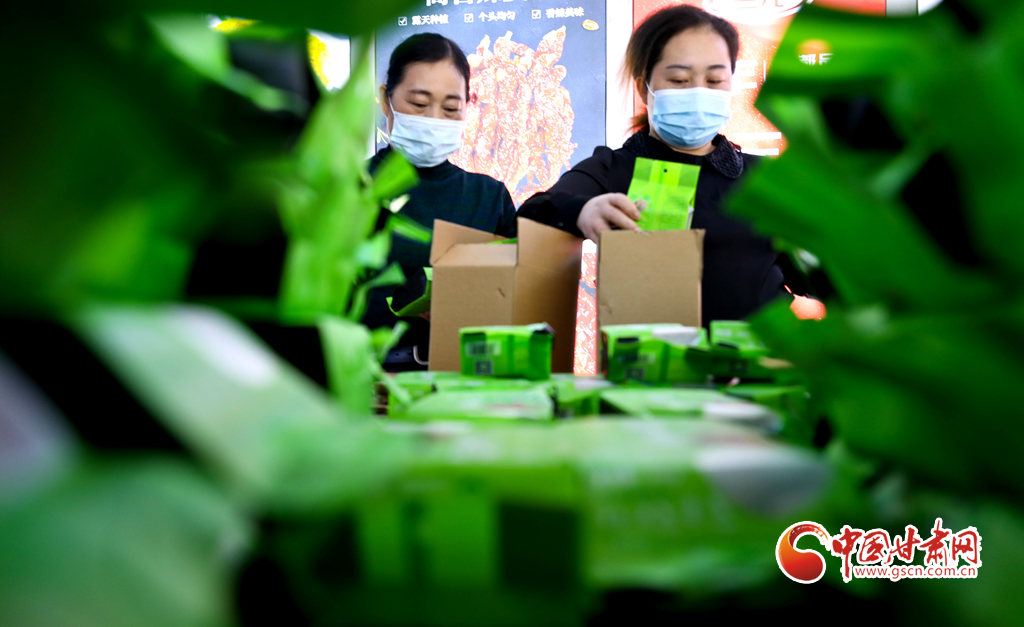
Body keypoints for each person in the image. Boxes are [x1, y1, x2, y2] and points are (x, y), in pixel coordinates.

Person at [518, 5, 801, 324]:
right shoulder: (612, 168)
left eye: (714, 79)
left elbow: (815, 272)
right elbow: (530, 215)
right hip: (647, 354)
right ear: (644, 87)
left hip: (764, 353)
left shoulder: (765, 176)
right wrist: (582, 211)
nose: (698, 92)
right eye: (679, 79)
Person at [365, 33, 518, 371]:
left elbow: (520, 297)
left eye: (450, 108)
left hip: (464, 378)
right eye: (419, 104)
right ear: (386, 100)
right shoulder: (351, 187)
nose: (434, 119)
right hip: (366, 379)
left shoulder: (488, 197)